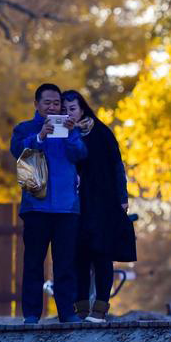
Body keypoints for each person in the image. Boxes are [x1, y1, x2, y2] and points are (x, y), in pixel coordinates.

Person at [10, 82, 88, 324]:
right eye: (48, 103)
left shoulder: (69, 129)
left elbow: (80, 155)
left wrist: (70, 135)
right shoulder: (25, 129)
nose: (53, 107)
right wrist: (40, 136)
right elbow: (17, 151)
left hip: (67, 207)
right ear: (37, 104)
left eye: (57, 103)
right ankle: (32, 315)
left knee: (65, 264)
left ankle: (67, 313)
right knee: (33, 262)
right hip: (36, 206)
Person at [62, 89, 135, 323]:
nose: (68, 113)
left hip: (103, 202)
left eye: (72, 108)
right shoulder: (60, 134)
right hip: (74, 203)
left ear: (82, 108)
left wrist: (122, 196)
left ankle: (100, 309)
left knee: (102, 254)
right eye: (64, 110)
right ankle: (81, 308)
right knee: (79, 256)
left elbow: (116, 165)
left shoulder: (102, 132)